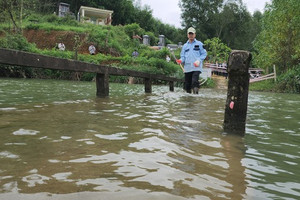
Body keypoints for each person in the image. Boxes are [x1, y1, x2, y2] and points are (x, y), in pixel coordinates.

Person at [176, 27, 207, 94]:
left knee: (194, 81)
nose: (191, 35)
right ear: (187, 35)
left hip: (196, 67)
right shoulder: (184, 46)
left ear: (195, 34)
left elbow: (204, 54)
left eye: (192, 34)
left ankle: (196, 97)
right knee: (187, 85)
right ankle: (189, 100)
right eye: (189, 34)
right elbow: (183, 57)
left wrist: (199, 60)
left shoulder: (199, 44)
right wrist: (180, 61)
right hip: (187, 68)